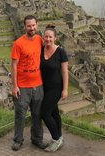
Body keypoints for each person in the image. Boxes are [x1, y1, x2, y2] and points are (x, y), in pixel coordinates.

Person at [11, 15, 46, 151]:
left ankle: (37, 139)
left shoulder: (39, 40)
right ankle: (18, 140)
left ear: (37, 25)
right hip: (23, 86)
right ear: (25, 27)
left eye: (33, 25)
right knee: (20, 114)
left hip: (38, 84)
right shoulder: (18, 43)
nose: (32, 28)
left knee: (37, 113)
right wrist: (14, 86)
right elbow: (14, 65)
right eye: (29, 26)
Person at [40, 24, 69, 152]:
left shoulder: (60, 51)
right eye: (46, 36)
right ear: (43, 37)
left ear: (55, 38)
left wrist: (65, 89)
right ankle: (60, 137)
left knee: (45, 113)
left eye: (50, 37)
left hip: (56, 87)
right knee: (54, 112)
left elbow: (64, 72)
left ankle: (56, 139)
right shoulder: (41, 49)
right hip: (44, 86)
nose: (48, 39)